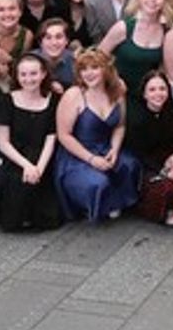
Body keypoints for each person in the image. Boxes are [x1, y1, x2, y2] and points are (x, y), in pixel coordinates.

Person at [53, 48, 141, 221]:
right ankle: (91, 205)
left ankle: (118, 202)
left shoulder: (117, 91)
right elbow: (64, 135)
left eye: (94, 67)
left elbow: (120, 125)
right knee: (97, 183)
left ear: (105, 70)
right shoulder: (74, 95)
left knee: (130, 165)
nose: (89, 73)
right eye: (83, 69)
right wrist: (91, 159)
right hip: (77, 155)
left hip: (105, 146)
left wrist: (115, 149)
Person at [0, 53, 62, 231]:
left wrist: (39, 167)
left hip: (43, 156)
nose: (28, 79)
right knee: (17, 187)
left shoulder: (53, 100)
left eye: (33, 74)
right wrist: (27, 166)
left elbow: (51, 138)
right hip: (15, 156)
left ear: (43, 74)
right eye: (23, 74)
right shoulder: (7, 100)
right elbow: (3, 142)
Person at [124, 70, 173, 224]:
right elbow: (139, 153)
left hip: (171, 159)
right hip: (146, 165)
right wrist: (164, 172)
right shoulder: (137, 118)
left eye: (162, 89)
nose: (158, 93)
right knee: (163, 189)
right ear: (144, 94)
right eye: (152, 90)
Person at [99, 0, 168, 109]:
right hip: (118, 94)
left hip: (150, 100)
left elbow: (163, 69)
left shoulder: (167, 31)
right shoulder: (123, 28)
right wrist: (114, 80)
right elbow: (98, 59)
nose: (152, 0)